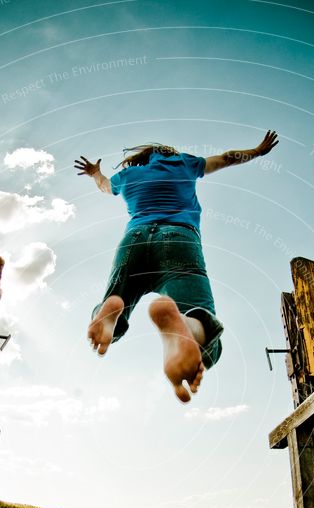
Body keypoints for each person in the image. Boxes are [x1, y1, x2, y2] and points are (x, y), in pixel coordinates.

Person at [75, 131, 278, 403]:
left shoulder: (127, 177)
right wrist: (255, 151)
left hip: (133, 241)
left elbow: (104, 185)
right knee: (202, 324)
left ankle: (109, 316)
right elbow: (226, 159)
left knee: (116, 298)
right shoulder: (185, 163)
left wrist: (94, 173)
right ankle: (188, 327)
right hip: (179, 239)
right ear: (169, 152)